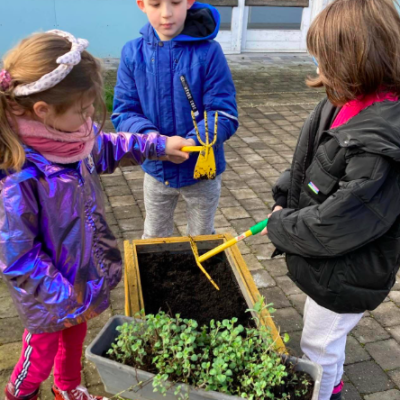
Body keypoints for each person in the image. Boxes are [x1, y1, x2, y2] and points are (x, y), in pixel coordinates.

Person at [0, 30, 192, 400]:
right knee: (38, 355)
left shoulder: (72, 138)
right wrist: (66, 295)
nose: (91, 117)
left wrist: (159, 145)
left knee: (76, 338)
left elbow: (109, 146)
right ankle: (19, 393)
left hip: (81, 277)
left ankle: (69, 388)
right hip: (49, 294)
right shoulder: (20, 175)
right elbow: (18, 257)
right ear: (42, 111)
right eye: (84, 110)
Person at [262, 0, 400, 398]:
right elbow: (316, 159)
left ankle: (324, 392)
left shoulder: (381, 145)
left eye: (324, 58)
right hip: (330, 263)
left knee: (318, 345)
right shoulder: (341, 100)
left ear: (357, 58)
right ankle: (334, 383)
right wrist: (285, 193)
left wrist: (279, 225)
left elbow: (337, 222)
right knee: (323, 336)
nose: (317, 69)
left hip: (349, 271)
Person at [112, 0, 238, 238]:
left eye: (176, 2)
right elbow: (124, 112)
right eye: (156, 4)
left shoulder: (210, 53)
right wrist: (155, 142)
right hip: (157, 168)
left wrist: (194, 142)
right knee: (154, 237)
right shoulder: (132, 53)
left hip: (202, 169)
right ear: (141, 4)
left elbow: (223, 112)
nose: (166, 13)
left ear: (189, 2)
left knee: (202, 239)